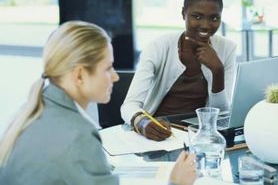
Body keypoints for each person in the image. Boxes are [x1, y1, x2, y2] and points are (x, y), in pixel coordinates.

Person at [0, 21, 196, 184]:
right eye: (108, 68)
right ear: (80, 75)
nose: (115, 77)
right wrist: (176, 183)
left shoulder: (28, 113)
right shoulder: (79, 136)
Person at [121, 0, 237, 141]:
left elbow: (222, 114)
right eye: (197, 16)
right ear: (184, 13)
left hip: (197, 136)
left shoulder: (227, 49)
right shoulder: (159, 46)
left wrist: (218, 71)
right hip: (158, 132)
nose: (205, 25)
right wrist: (142, 122)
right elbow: (129, 105)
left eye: (214, 18)